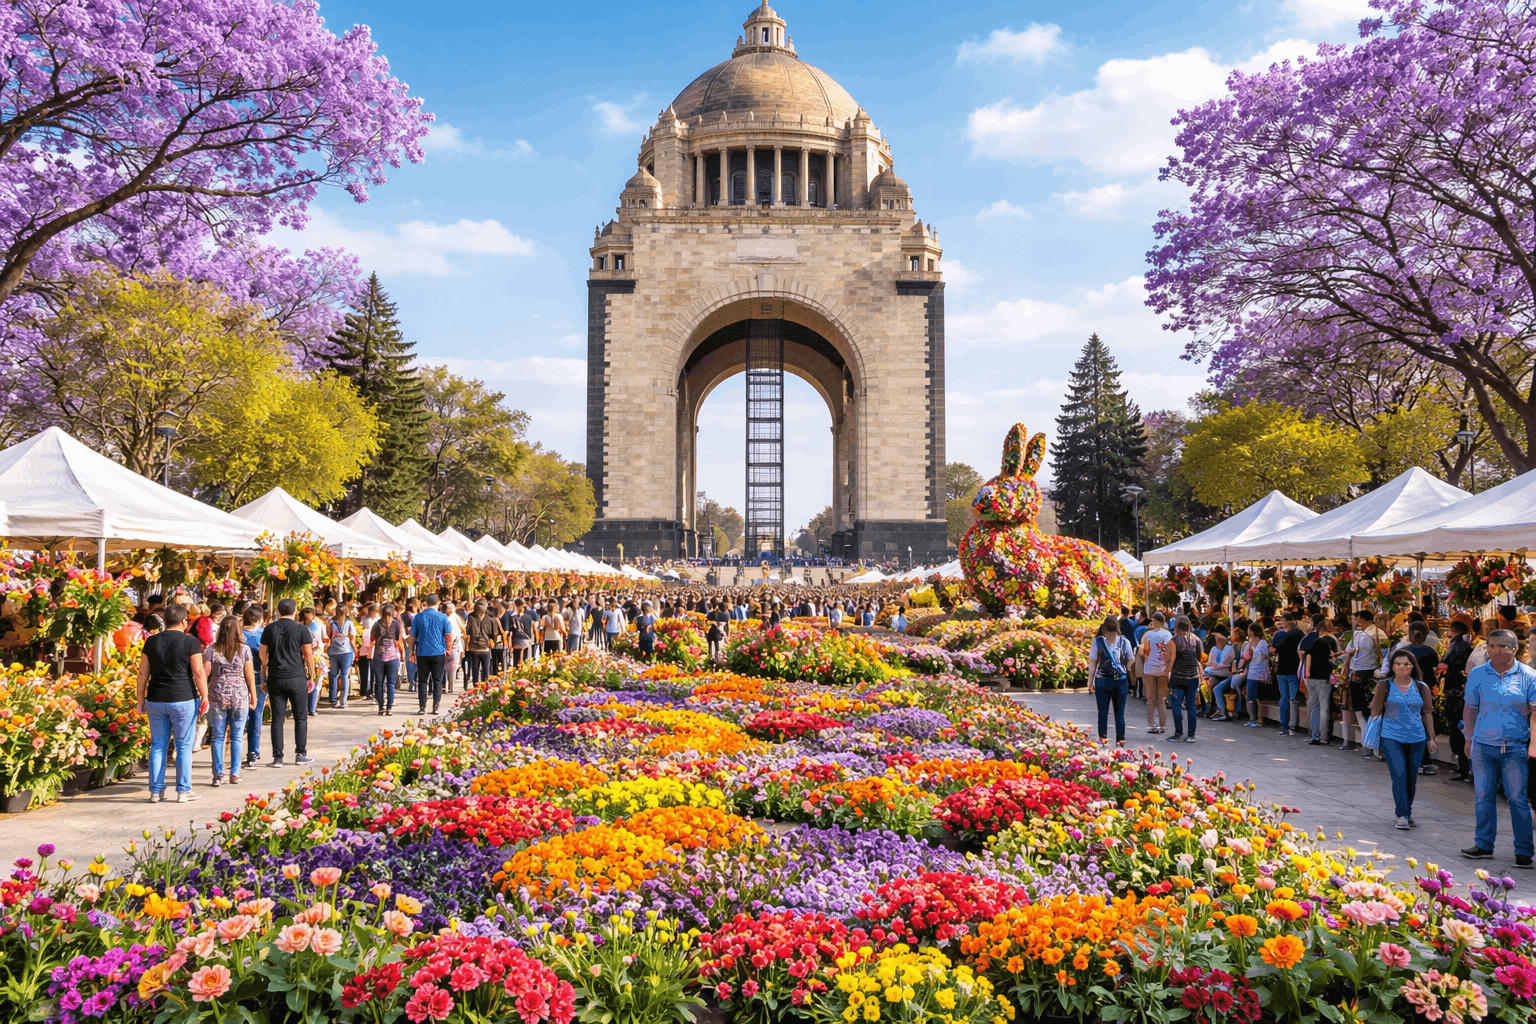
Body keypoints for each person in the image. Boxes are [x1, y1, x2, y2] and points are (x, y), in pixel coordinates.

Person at [1461, 629, 1536, 866]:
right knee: (1483, 797)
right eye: (1490, 646)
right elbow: (1470, 709)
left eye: (1500, 646)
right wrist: (1468, 737)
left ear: (1515, 649)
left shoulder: (1529, 676)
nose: (1493, 650)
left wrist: (1533, 743)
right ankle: (1483, 844)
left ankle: (1524, 850)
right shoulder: (1478, 675)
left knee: (1518, 799)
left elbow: (1535, 713)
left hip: (1515, 748)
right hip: (1483, 746)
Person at [135, 603, 209, 802]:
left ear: (165, 621)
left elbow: (143, 672)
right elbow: (198, 671)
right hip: (184, 698)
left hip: (156, 699)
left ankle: (156, 791)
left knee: (158, 745)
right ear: (184, 621)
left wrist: (140, 698)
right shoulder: (190, 642)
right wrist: (205, 696)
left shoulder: (151, 642)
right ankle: (183, 791)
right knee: (184, 745)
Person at [1372, 649, 1438, 829]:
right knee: (1399, 776)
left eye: (1407, 664)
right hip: (1391, 736)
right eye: (1398, 663)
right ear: (1392, 666)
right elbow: (1375, 711)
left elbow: (1427, 713)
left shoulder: (1421, 687)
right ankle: (1402, 814)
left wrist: (1431, 738)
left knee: (1411, 778)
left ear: (1412, 667)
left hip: (1417, 737)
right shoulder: (1384, 685)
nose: (1402, 667)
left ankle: (1406, 811)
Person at [260, 598, 317, 767]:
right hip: (297, 677)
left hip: (276, 677)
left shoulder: (269, 629)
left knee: (277, 719)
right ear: (295, 610)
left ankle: (278, 757)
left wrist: (264, 676)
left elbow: (263, 655)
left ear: (278, 611)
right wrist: (311, 676)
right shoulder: (302, 629)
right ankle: (300, 753)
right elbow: (308, 655)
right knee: (300, 717)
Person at [204, 615, 255, 787]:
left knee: (217, 737)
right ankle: (234, 773)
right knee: (237, 737)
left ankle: (218, 774)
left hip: (217, 695)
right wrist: (253, 695)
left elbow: (205, 673)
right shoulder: (245, 650)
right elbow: (249, 676)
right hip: (239, 695)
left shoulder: (211, 650)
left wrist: (202, 694)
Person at [1087, 615, 1133, 746]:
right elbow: (1131, 658)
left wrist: (1089, 682)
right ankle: (1120, 738)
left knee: (1102, 712)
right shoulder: (1124, 641)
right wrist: (1125, 667)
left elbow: (1093, 662)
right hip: (1121, 680)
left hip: (1102, 680)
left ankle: (1103, 737)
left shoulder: (1097, 641)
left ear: (1104, 628)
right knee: (1120, 713)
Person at [1439, 619, 1475, 781]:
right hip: (1457, 693)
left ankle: (1464, 768)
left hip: (1456, 694)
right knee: (1459, 729)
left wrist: (1442, 667)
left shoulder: (1460, 645)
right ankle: (1463, 768)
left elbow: (1451, 665)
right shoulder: (1463, 644)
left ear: (1453, 630)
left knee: (1459, 729)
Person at [1301, 615, 1340, 745]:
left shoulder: (1314, 644)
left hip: (1311, 678)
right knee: (1324, 708)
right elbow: (1332, 660)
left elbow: (1306, 656)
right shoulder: (1327, 643)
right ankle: (1324, 737)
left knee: (1314, 707)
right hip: (1323, 679)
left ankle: (1314, 735)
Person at [410, 595, 451, 715]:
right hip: (438, 652)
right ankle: (436, 706)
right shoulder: (443, 617)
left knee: (422, 680)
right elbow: (448, 635)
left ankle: (422, 707)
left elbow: (412, 636)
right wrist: (448, 649)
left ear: (426, 603)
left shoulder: (418, 617)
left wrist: (411, 651)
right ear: (438, 603)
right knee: (437, 680)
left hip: (422, 652)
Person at [1167, 616, 1202, 743]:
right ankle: (1191, 734)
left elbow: (1172, 658)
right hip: (1193, 676)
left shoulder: (1174, 640)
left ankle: (1178, 732)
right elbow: (1198, 657)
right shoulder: (1197, 640)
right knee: (1191, 706)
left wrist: (1167, 672)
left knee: (1176, 705)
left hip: (1178, 677)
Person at [241, 606, 267, 771]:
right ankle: (253, 753)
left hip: (238, 679)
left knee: (239, 717)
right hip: (258, 678)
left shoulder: (237, 634)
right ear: (259, 619)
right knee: (256, 714)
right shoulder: (263, 634)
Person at [1272, 612, 1305, 737]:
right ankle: (1293, 725)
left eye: (1282, 620)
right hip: (1293, 669)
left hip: (1283, 669)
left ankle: (1285, 725)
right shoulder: (1299, 634)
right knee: (1293, 698)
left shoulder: (1281, 635)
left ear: (1287, 621)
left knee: (1284, 698)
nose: (1281, 622)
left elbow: (1274, 649)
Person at [1139, 612, 1172, 734]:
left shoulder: (1148, 634)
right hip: (1163, 669)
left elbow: (1143, 652)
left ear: (1154, 621)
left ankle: (1152, 726)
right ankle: (1162, 726)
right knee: (1161, 699)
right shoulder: (1168, 634)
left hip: (1149, 669)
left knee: (1150, 700)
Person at [371, 602, 404, 716]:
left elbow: (372, 638)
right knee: (390, 684)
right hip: (392, 657)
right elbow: (398, 640)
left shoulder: (377, 624)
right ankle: (389, 708)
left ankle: (381, 707)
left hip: (378, 657)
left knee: (379, 683)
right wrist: (402, 653)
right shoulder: (396, 624)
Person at [1238, 623, 1270, 728]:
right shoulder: (1249, 642)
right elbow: (1245, 655)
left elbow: (1264, 655)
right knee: (1249, 696)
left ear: (1252, 632)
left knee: (1256, 697)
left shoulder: (1262, 642)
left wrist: (1253, 650)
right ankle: (1251, 718)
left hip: (1260, 673)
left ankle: (1256, 719)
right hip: (1251, 672)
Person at [327, 604, 356, 710]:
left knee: (333, 674)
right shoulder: (349, 622)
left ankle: (333, 699)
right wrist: (355, 649)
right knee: (345, 675)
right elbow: (352, 636)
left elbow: (329, 634)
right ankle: (343, 701)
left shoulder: (331, 622)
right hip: (346, 650)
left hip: (334, 650)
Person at [1201, 631, 1236, 718]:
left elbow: (1213, 664)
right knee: (1208, 684)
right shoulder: (1228, 649)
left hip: (1222, 675)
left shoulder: (1227, 649)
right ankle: (1211, 708)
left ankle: (1210, 708)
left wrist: (1206, 665)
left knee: (1207, 684)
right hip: (1222, 674)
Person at [464, 599, 498, 684]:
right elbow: (494, 633)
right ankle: (485, 685)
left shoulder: (471, 616)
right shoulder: (490, 617)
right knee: (486, 669)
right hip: (485, 647)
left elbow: (467, 630)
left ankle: (476, 685)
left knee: (475, 668)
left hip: (474, 647)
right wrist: (493, 641)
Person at [507, 597, 534, 667]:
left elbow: (511, 632)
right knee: (525, 661)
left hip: (516, 641)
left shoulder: (512, 617)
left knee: (516, 661)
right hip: (526, 640)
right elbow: (529, 631)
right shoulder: (528, 617)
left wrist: (510, 643)